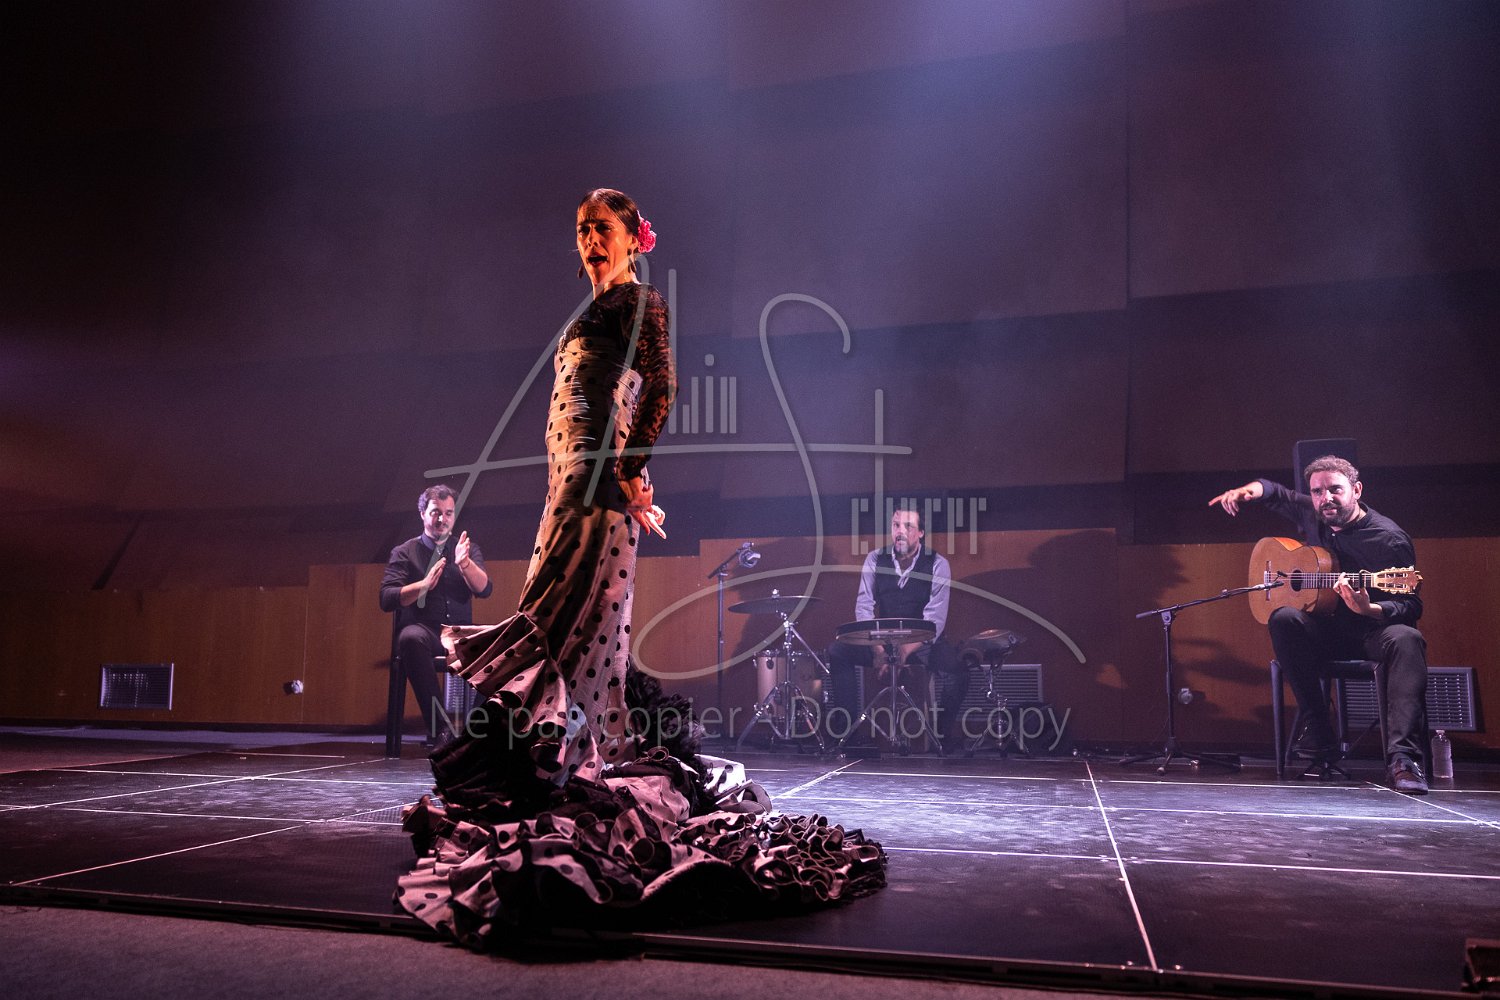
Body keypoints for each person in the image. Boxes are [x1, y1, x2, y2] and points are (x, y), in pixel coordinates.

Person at [395, 189, 885, 944]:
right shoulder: (590, 311)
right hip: (569, 485)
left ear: (631, 239)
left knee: (561, 623)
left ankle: (563, 767)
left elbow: (661, 385)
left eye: (604, 229)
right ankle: (565, 764)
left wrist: (628, 471)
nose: (591, 240)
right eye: (582, 230)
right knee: (570, 631)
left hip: (595, 486)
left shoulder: (639, 302)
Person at [1210, 455, 1430, 794]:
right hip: (1326, 630)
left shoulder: (1389, 538)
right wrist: (1245, 491)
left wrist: (1370, 607)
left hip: (1372, 632)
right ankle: (1319, 730)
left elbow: (1411, 604)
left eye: (1335, 490)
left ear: (1356, 490)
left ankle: (1403, 760)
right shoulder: (1314, 513)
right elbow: (1274, 492)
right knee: (1283, 618)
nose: (1326, 498)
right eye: (1317, 492)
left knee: (1407, 639)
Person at [828, 505, 963, 749]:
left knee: (958, 670)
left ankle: (941, 735)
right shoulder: (874, 559)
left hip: (922, 644)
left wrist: (904, 652)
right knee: (838, 651)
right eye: (896, 525)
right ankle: (848, 734)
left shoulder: (937, 563)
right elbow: (864, 607)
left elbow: (935, 619)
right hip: (883, 640)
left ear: (921, 532)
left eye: (908, 526)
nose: (900, 531)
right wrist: (879, 650)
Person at [379, 484, 492, 744]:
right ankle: (440, 728)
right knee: (409, 638)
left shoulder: (466, 549)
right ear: (423, 514)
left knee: (500, 643)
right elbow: (386, 598)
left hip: (460, 634)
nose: (442, 519)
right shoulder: (404, 552)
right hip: (425, 631)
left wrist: (465, 564)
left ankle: (474, 732)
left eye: (448, 513)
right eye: (435, 512)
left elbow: (485, 589)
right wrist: (423, 586)